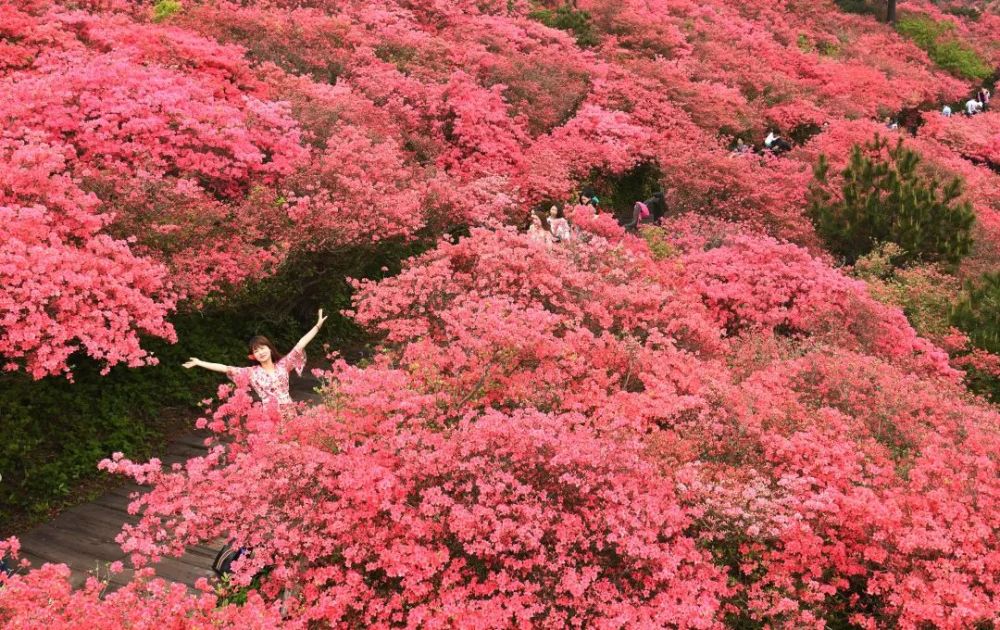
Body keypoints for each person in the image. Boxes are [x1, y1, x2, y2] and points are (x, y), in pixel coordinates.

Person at [183, 309, 327, 408]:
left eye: (263, 348)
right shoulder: (251, 372)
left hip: (288, 409)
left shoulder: (283, 365)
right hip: (267, 416)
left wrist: (317, 326)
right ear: (254, 356)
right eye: (256, 351)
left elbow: (300, 344)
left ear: (270, 349)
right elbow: (225, 368)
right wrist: (199, 362)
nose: (261, 352)